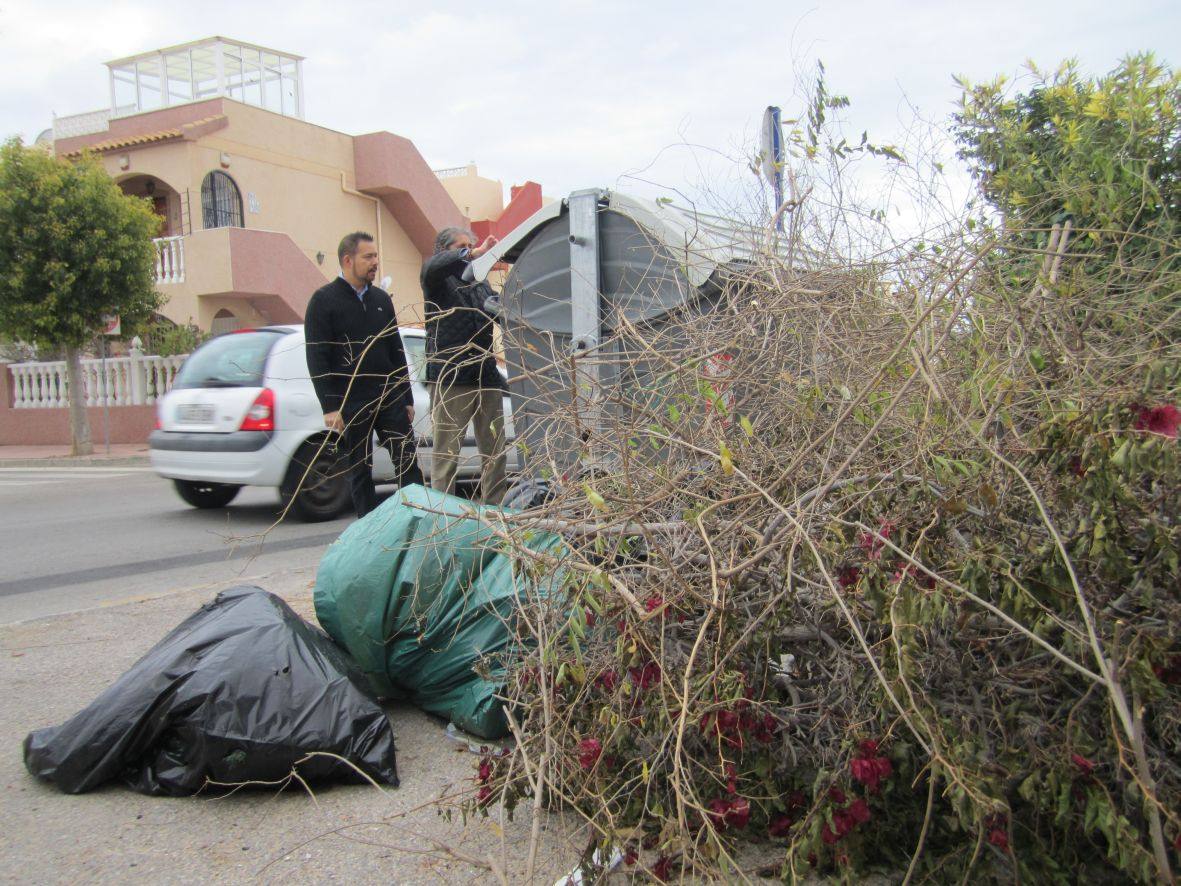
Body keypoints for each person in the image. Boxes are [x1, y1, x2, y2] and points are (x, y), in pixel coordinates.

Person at [305, 231, 423, 518]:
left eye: (376, 256)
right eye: (368, 257)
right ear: (348, 260)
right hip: (350, 401)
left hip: (388, 396)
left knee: (407, 459)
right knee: (359, 469)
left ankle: (419, 520)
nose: (375, 262)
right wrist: (330, 407)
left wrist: (406, 396)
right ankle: (368, 529)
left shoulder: (382, 299)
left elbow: (395, 349)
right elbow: (317, 357)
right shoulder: (323, 301)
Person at [421, 227, 507, 503]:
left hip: (485, 377)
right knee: (447, 455)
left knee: (495, 453)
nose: (469, 252)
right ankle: (442, 519)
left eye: (470, 246)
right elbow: (432, 268)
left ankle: (495, 513)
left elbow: (498, 312)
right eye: (460, 247)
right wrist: (471, 253)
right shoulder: (436, 281)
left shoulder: (480, 283)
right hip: (451, 379)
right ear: (443, 251)